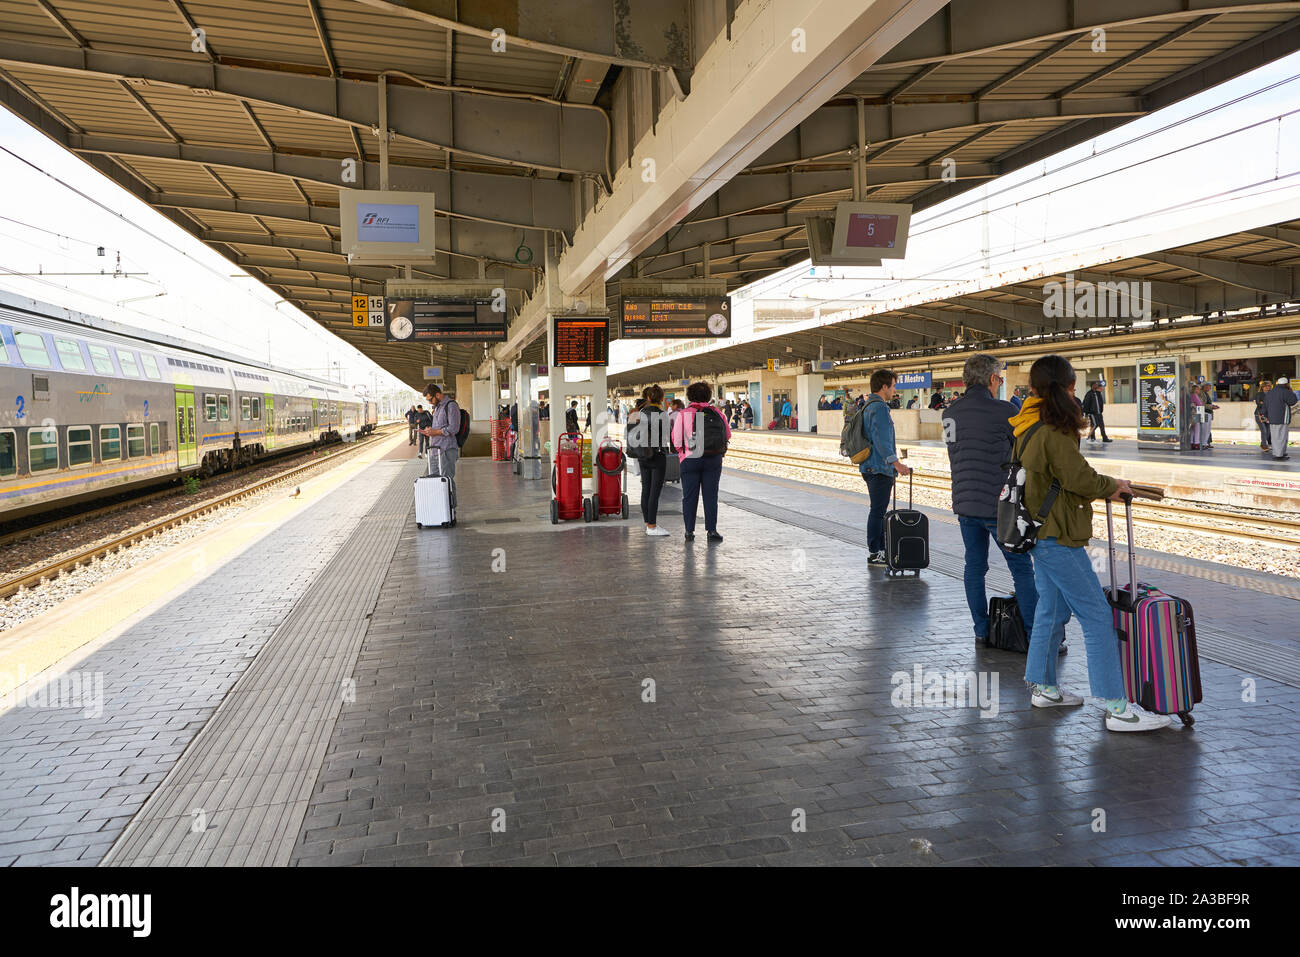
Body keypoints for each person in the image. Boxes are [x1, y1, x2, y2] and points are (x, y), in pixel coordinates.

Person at [1013, 355, 1166, 732]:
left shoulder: (1026, 424)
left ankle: (1044, 687)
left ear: (1033, 389)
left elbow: (1064, 475)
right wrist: (1111, 486)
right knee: (1097, 616)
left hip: (1037, 531)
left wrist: (1105, 483)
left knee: (1050, 611)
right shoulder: (1053, 429)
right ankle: (1117, 708)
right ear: (1066, 388)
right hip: (1057, 536)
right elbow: (1077, 478)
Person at [942, 354, 1039, 644]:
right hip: (999, 508)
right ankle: (1035, 634)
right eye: (999, 378)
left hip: (965, 505)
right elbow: (1023, 449)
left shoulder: (950, 413)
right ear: (993, 379)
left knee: (974, 567)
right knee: (1021, 567)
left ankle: (981, 631)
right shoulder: (1004, 410)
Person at [859, 369, 911, 565]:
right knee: (878, 511)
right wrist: (896, 463)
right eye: (893, 385)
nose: (894, 390)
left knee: (878, 509)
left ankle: (879, 549)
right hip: (879, 467)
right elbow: (881, 441)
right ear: (884, 387)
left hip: (870, 466)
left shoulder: (867, 405)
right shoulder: (879, 408)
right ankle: (875, 552)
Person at [670, 382, 731, 543]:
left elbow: (676, 441)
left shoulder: (683, 414)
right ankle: (712, 531)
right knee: (711, 496)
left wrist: (683, 453)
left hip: (690, 460)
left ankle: (689, 532)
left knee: (689, 496)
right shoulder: (717, 413)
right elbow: (728, 435)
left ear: (690, 396)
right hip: (713, 459)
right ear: (708, 396)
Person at [627, 386, 672, 537]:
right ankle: (652, 526)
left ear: (648, 398)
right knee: (655, 492)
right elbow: (666, 436)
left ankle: (647, 523)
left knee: (645, 489)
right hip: (657, 456)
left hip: (643, 455)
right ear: (661, 398)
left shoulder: (639, 414)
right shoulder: (663, 414)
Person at [420, 385, 462, 480]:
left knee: (446, 481)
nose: (430, 402)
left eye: (430, 400)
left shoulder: (451, 406)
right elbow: (438, 427)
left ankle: (451, 495)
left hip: (446, 450)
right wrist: (430, 431)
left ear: (437, 395)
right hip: (435, 449)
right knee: (434, 481)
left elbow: (454, 428)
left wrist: (435, 432)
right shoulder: (437, 408)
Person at [1264, 376, 1297, 460]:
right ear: (1286, 384)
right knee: (1282, 436)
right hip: (1282, 418)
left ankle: (1277, 452)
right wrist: (1291, 392)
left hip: (1272, 418)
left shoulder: (1270, 392)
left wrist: (1264, 415)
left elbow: (1265, 405)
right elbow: (1293, 401)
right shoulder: (1285, 391)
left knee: (1275, 437)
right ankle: (1279, 455)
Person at [1256, 381, 1273, 452]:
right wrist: (1265, 403)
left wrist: (1264, 402)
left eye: (1269, 386)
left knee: (1268, 431)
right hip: (1259, 414)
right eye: (1266, 386)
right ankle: (1264, 445)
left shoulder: (1272, 394)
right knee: (1264, 431)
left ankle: (1263, 443)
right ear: (1262, 387)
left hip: (1268, 415)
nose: (1267, 387)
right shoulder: (1259, 394)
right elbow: (1258, 403)